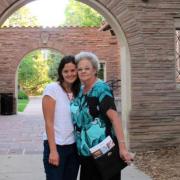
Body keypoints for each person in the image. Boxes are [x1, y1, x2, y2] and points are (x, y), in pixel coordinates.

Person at [70, 52, 134, 180]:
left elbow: (114, 118)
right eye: (80, 69)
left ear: (94, 69)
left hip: (104, 152)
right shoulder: (80, 90)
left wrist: (122, 148)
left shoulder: (101, 89)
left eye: (87, 68)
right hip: (85, 151)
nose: (83, 71)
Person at [42, 55, 80, 180]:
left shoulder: (79, 91)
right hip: (56, 145)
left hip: (74, 147)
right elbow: (48, 122)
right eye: (66, 71)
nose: (70, 74)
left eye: (73, 70)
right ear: (61, 73)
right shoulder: (52, 89)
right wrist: (53, 151)